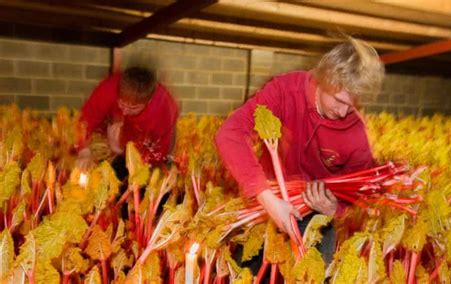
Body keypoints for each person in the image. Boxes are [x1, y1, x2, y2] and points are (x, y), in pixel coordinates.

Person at [215, 37, 384, 269]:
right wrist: (266, 197)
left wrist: (335, 209)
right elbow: (230, 133)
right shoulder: (286, 91)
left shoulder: (355, 134)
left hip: (315, 218)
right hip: (266, 204)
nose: (344, 112)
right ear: (325, 79)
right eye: (339, 100)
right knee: (245, 273)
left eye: (352, 105)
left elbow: (360, 193)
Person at [76, 66, 179, 177]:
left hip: (146, 148)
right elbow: (86, 119)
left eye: (133, 108)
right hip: (114, 134)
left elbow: (158, 155)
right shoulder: (109, 87)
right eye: (122, 103)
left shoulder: (164, 110)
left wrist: (121, 151)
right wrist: (83, 151)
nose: (124, 111)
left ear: (148, 102)